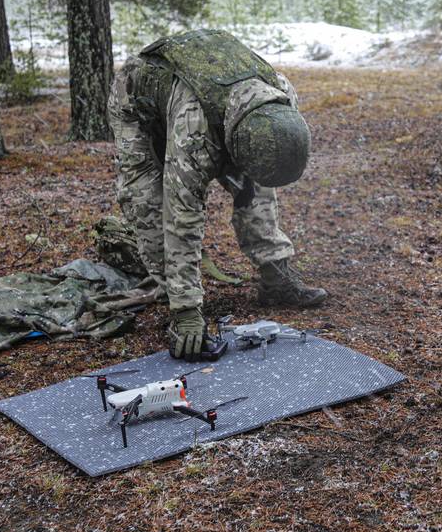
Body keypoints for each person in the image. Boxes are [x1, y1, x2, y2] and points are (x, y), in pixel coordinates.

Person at [108, 29, 328, 360]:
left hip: (220, 114)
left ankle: (276, 278)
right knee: (148, 202)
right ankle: (175, 300)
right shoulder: (195, 133)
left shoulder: (280, 97)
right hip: (137, 103)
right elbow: (181, 215)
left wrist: (248, 182)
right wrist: (186, 310)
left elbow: (257, 180)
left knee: (257, 188)